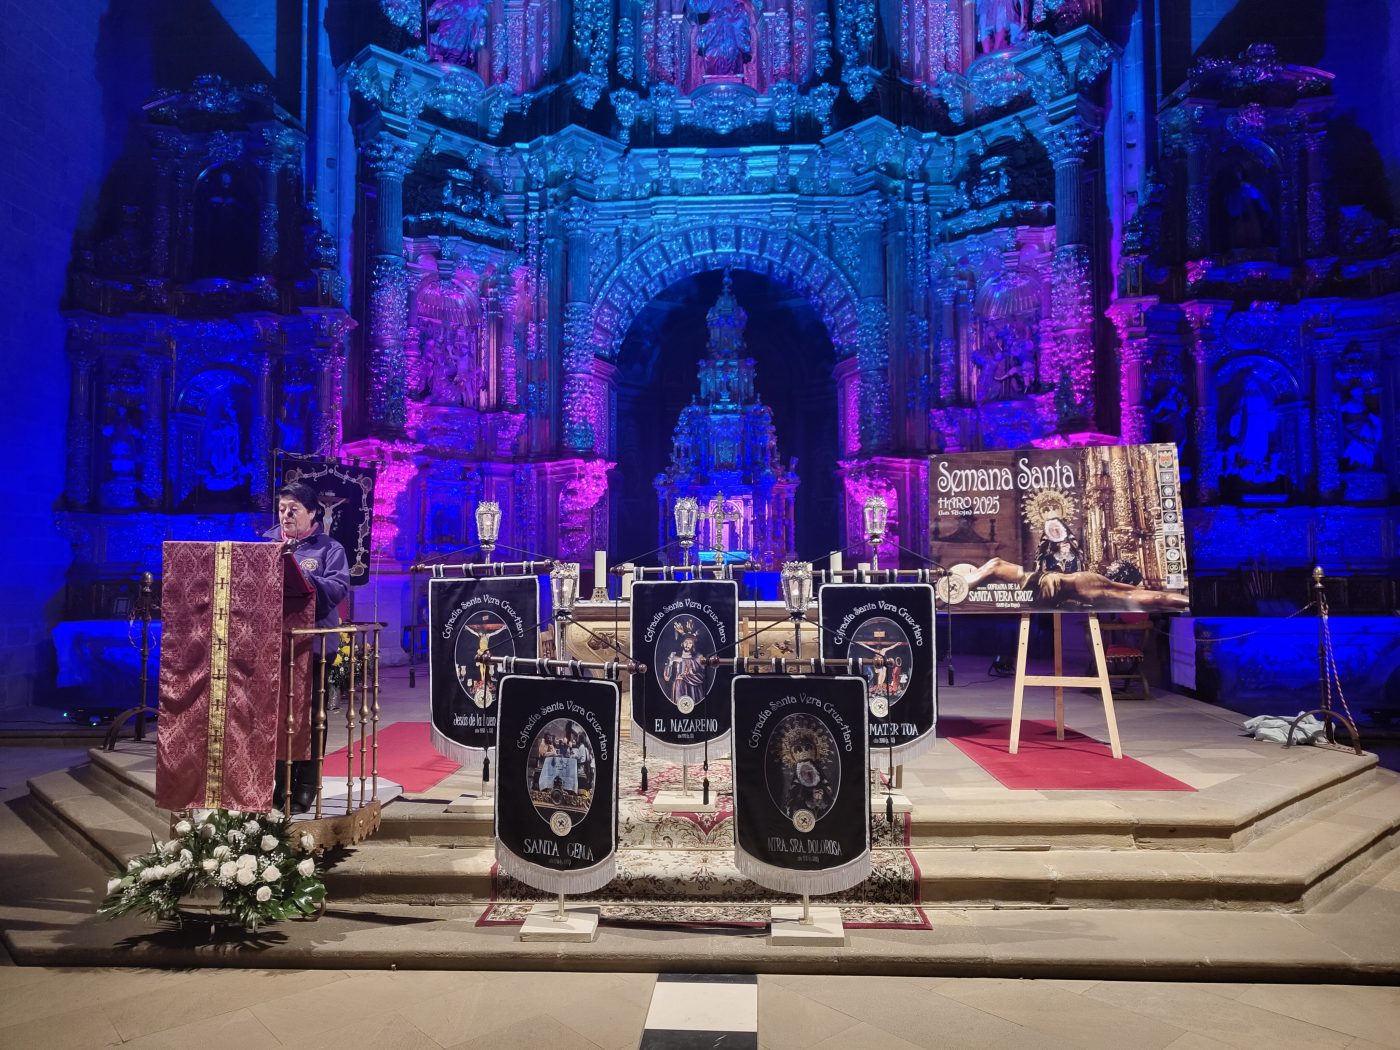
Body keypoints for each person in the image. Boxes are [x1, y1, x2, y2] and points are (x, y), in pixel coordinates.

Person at [265, 481, 350, 812]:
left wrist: (300, 574)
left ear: (313, 513)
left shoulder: (329, 549)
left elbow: (336, 589)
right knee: (276, 717)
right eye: (282, 509)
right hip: (276, 647)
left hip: (313, 647)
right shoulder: (268, 544)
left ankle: (305, 787)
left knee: (312, 718)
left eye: (294, 509)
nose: (285, 515)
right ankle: (279, 783)